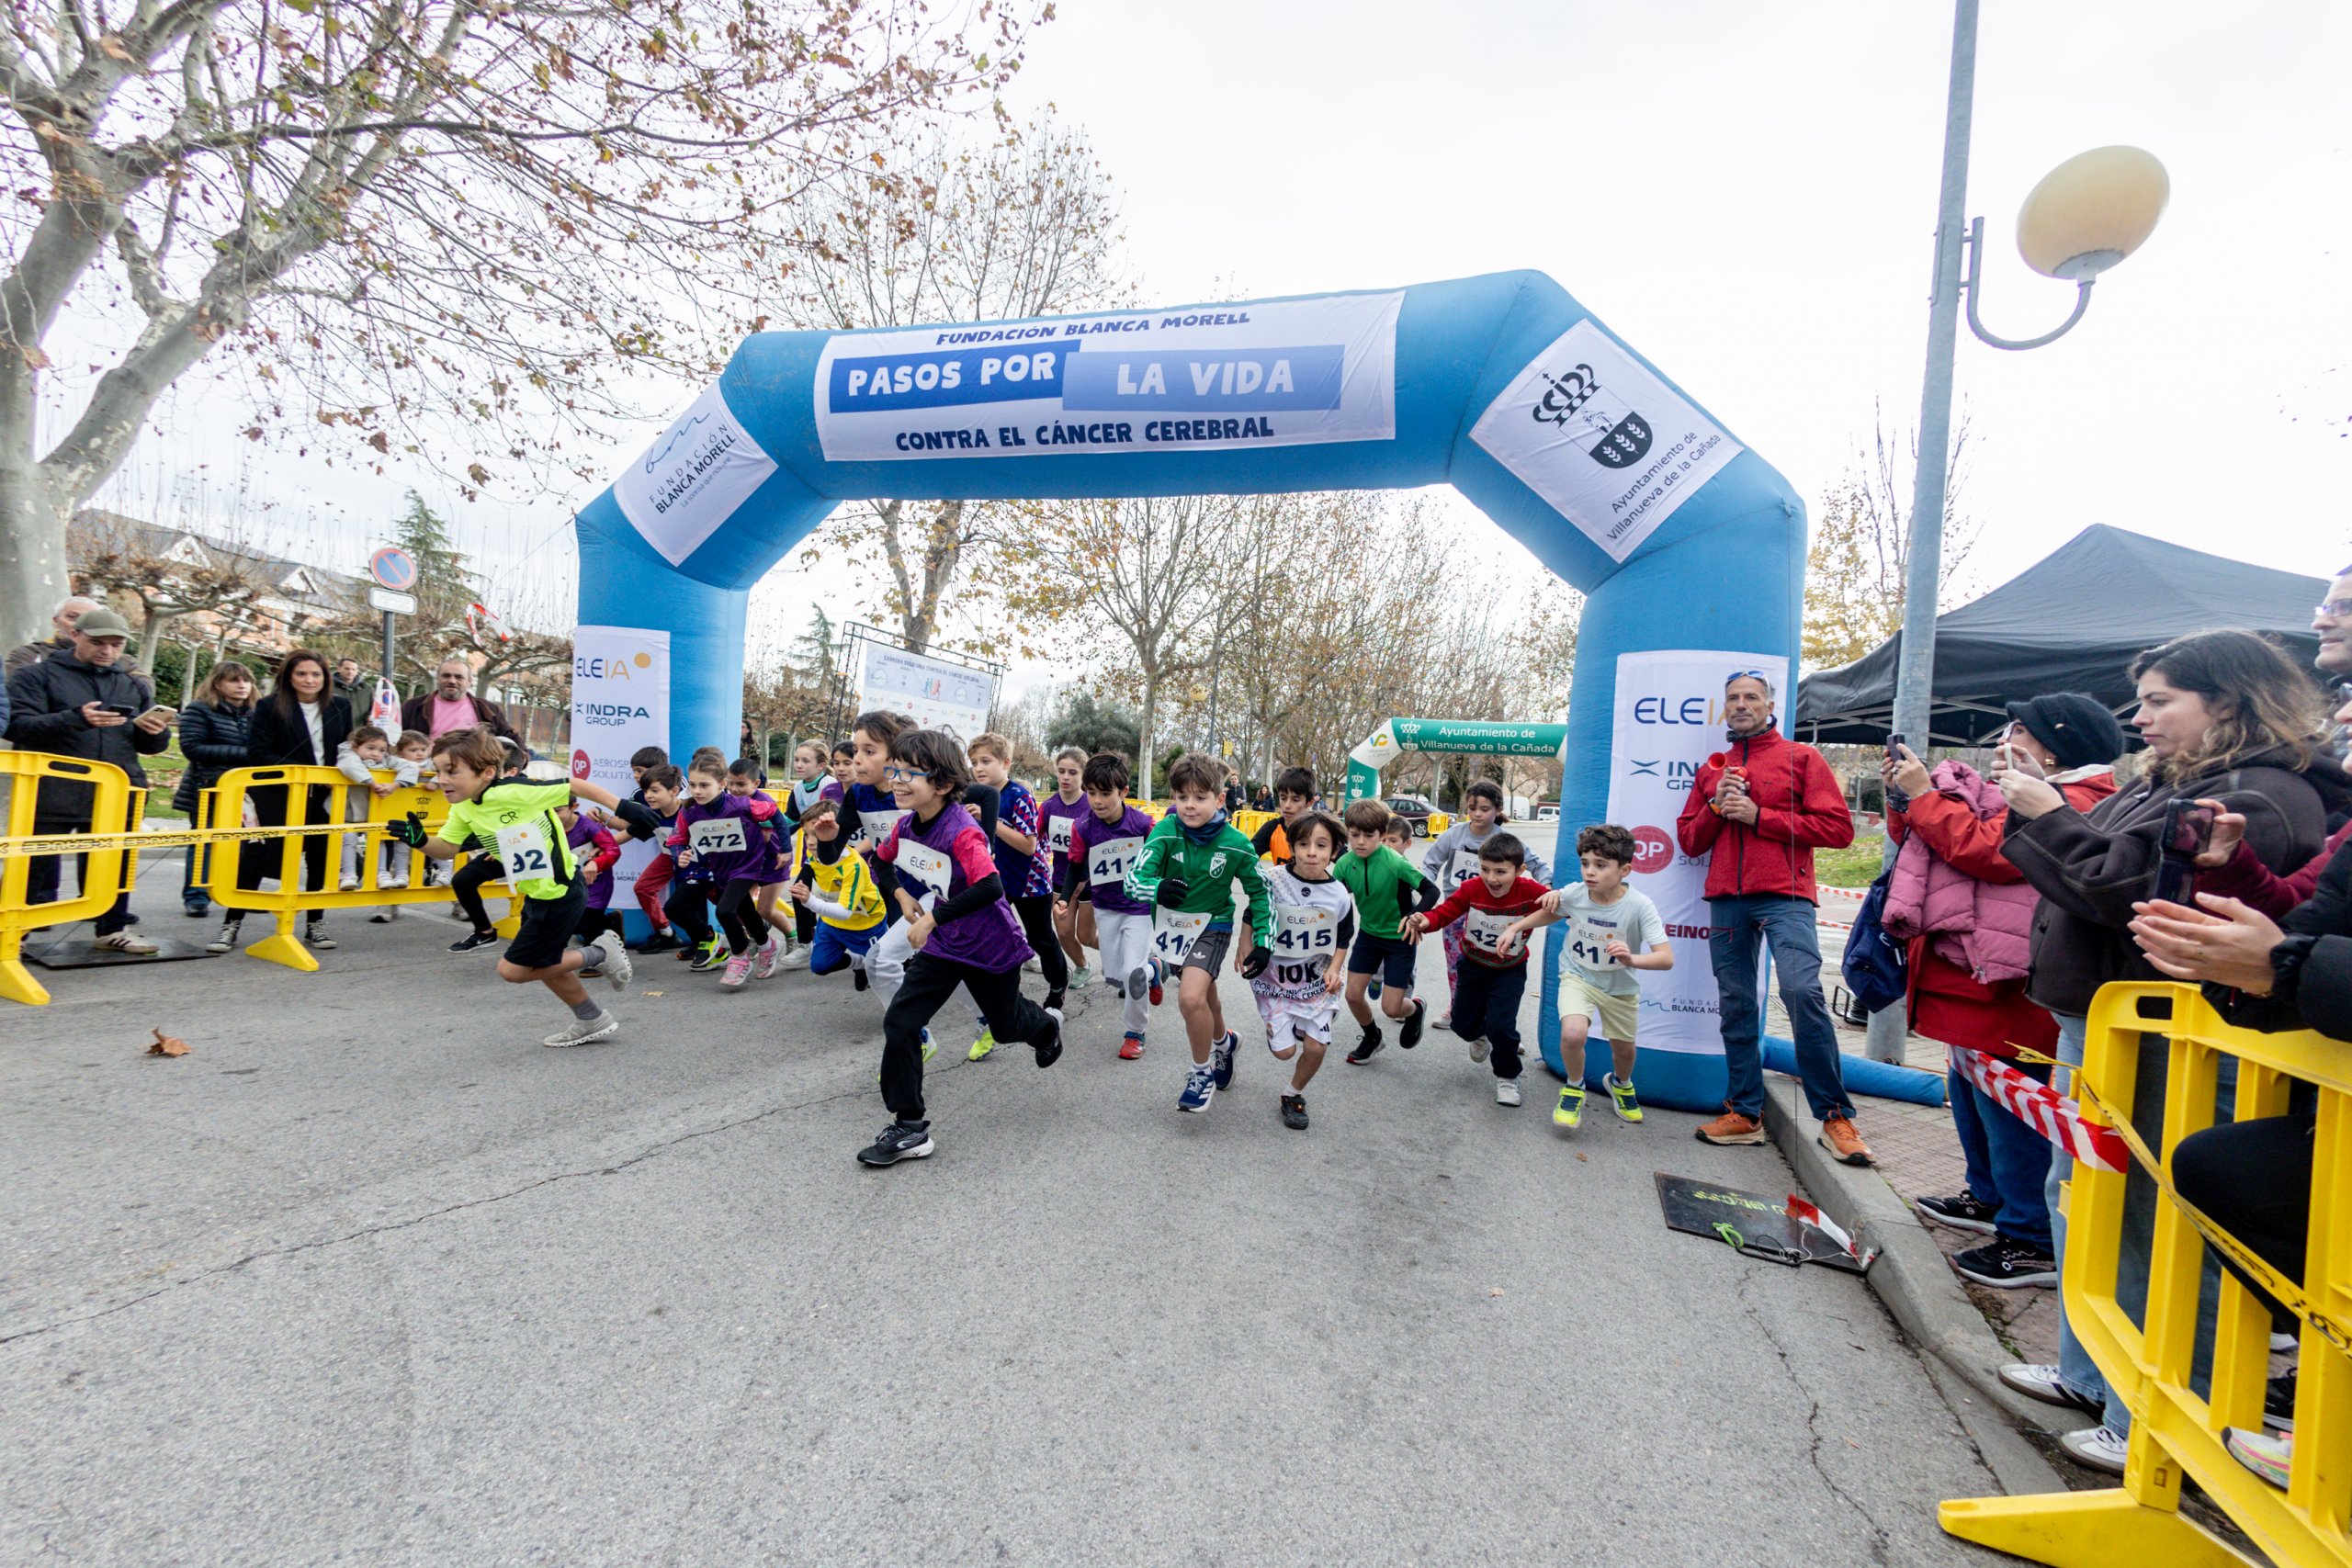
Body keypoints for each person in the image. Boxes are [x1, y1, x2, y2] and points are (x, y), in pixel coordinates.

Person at [1996, 626, 2350, 1475]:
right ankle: (2095, 1376)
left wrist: (2048, 818)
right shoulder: (2189, 781)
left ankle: (2159, 1414)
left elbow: (2124, 888)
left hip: (2172, 1036)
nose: (2141, 718)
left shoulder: (2269, 789)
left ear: (2224, 701)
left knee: (2157, 1223)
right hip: (2116, 1018)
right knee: (2089, 1198)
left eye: (2160, 700)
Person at [1884, 695, 2123, 1291]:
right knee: (1974, 1087)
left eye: (2018, 732)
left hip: (2013, 984)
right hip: (1977, 977)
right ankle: (1990, 1196)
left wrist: (1921, 797)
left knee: (2015, 1103)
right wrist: (1908, 799)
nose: (2001, 744)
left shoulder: (2079, 798)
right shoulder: (2034, 789)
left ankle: (2030, 1237)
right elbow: (1943, 834)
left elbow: (1991, 850)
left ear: (2057, 744)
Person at [1674, 670, 1871, 1165]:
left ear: (1769, 704)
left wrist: (1760, 817)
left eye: (1751, 697)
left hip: (1786, 895)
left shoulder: (1801, 758)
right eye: (1733, 698)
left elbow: (1838, 829)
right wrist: (1718, 807)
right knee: (1736, 1002)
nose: (1742, 705)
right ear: (1726, 707)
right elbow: (1690, 841)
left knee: (1803, 991)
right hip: (1726, 898)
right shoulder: (1711, 769)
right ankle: (1745, 1113)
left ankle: (1834, 1117)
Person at [861, 729, 1065, 1168]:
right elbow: (881, 860)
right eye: (894, 769)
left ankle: (1046, 1027)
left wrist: (934, 916)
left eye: (909, 773)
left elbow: (990, 885)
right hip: (946, 944)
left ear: (942, 784)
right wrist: (900, 896)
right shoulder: (907, 824)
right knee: (900, 1021)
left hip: (990, 945)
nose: (896, 780)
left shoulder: (963, 831)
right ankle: (910, 1128)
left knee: (1007, 1027)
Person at [390, 727, 634, 1046]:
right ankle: (591, 1018)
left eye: (452, 771)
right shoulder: (464, 807)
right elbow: (447, 848)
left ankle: (600, 952)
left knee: (513, 970)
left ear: (487, 772)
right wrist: (421, 841)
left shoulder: (513, 791)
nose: (443, 779)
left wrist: (626, 809)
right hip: (536, 893)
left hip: (562, 891)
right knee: (544, 961)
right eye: (438, 771)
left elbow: (573, 785)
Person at [3, 606, 173, 953]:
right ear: (75, 635)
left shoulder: (131, 684)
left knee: (115, 863)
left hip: (116, 789)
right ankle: (12, 932)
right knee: (31, 866)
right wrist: (75, 718)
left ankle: (111, 929)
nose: (107, 651)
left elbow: (146, 744)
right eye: (98, 642)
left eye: (116, 644)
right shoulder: (36, 676)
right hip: (52, 789)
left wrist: (156, 733)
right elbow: (16, 727)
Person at [1121, 751, 1274, 1114]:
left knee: (1190, 999)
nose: (1189, 806)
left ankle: (1200, 1072)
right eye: (1182, 797)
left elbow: (1261, 891)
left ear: (1220, 799)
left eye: (1200, 797)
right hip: (1173, 929)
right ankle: (1224, 1041)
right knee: (1206, 996)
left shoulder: (1236, 842)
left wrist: (1263, 941)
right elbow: (1132, 881)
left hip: (1214, 924)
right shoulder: (1165, 830)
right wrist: (1156, 889)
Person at [1509, 824, 1672, 1129]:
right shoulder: (1575, 893)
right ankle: (1574, 1086)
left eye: (1600, 865)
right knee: (1572, 1033)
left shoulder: (1639, 906)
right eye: (1585, 863)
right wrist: (1516, 927)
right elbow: (1554, 912)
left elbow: (1666, 958)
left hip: (1619, 987)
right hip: (1578, 976)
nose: (1590, 872)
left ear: (1625, 869)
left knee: (1623, 1049)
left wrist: (1631, 958)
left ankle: (1621, 1083)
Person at [215, 648, 350, 954]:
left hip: (325, 796)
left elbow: (347, 745)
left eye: (316, 674)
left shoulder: (340, 706)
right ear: (289, 676)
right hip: (278, 795)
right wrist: (300, 772)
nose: (309, 679)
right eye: (301, 673)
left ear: (326, 677)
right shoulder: (269, 706)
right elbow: (259, 752)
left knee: (318, 859)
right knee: (255, 859)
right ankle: (231, 923)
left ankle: (315, 922)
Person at [1403, 830, 1553, 1107]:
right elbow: (1447, 910)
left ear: (1520, 870)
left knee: (1501, 1025)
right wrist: (1426, 920)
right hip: (1473, 965)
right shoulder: (1472, 887)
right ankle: (1479, 1034)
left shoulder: (1530, 891)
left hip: (1509, 969)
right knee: (1462, 1024)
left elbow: (1559, 908)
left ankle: (1507, 1076)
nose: (1492, 878)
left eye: (1501, 871)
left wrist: (1552, 898)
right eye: (1485, 869)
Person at [1249, 810, 1355, 1131]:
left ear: (1334, 851)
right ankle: (1282, 1029)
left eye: (1321, 846)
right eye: (1304, 844)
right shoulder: (1273, 879)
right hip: (1276, 980)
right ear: (1292, 847)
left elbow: (1344, 937)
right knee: (1285, 1052)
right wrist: (1245, 946)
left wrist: (1335, 969)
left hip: (1316, 983)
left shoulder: (1338, 893)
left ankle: (1293, 1094)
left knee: (1316, 1047)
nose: (1312, 852)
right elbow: (1251, 913)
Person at [965, 734, 1068, 1059]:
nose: (979, 769)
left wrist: (987, 819)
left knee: (1041, 939)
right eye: (975, 763)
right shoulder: (973, 795)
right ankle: (1000, 1001)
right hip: (993, 880)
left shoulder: (1018, 796)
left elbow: (1028, 845)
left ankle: (1057, 987)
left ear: (1005, 764)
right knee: (990, 938)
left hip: (1029, 880)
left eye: (986, 762)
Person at [1421, 782, 1552, 1030]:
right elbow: (1429, 863)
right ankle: (1457, 1006)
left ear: (1497, 809)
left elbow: (1537, 865)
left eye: (1485, 809)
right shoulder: (1454, 835)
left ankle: (1497, 1022)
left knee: (1497, 970)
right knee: (1457, 965)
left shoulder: (1506, 840)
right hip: (1458, 910)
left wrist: (1547, 889)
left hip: (1496, 913)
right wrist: (1429, 895)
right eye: (1472, 808)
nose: (1478, 814)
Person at [1059, 752, 1159, 1060]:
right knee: (1116, 976)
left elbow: (1162, 861)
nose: (1097, 801)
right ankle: (1155, 970)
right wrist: (1064, 898)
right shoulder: (1083, 826)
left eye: (1106, 794)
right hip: (1106, 907)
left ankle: (1135, 1032)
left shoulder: (1143, 824)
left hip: (1139, 908)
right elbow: (1075, 865)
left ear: (1123, 792)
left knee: (1132, 975)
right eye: (1091, 793)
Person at [1335, 799, 1441, 1065]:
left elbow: (1431, 891)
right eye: (1354, 835)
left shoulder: (1394, 861)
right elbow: (1334, 897)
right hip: (1369, 936)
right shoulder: (1345, 864)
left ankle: (1415, 1008)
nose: (1360, 842)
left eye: (1369, 836)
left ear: (1382, 835)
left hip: (1400, 938)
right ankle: (1372, 1036)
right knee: (1352, 995)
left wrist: (1415, 916)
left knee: (1392, 1008)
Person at [665, 755, 785, 989]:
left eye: (704, 785)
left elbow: (775, 815)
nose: (697, 791)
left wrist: (786, 850)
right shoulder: (689, 810)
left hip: (748, 864)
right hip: (720, 867)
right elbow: (677, 839)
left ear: (722, 784)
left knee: (725, 910)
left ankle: (739, 956)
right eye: (693, 785)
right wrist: (680, 855)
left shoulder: (739, 804)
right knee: (745, 910)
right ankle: (767, 945)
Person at [171, 660, 258, 919]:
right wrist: (248, 755)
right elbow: (193, 748)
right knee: (204, 842)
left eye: (246, 680)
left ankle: (240, 894)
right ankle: (196, 896)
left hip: (247, 789)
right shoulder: (199, 710)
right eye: (234, 680)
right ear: (217, 683)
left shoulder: (258, 712)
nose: (242, 685)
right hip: (208, 785)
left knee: (246, 843)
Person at [787, 797, 885, 982]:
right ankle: (859, 963)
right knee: (819, 966)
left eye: (816, 835)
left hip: (865, 924)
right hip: (831, 923)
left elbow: (845, 912)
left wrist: (810, 901)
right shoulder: (812, 853)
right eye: (806, 835)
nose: (810, 842)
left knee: (883, 972)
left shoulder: (853, 865)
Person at [6, 595, 152, 698]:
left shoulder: (123, 660)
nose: (80, 623)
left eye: (90, 618)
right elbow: (20, 692)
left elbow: (145, 690)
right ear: (55, 620)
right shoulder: (29, 654)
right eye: (73, 617)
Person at [333, 723, 417, 897]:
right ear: (356, 746)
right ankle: (348, 874)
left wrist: (395, 785)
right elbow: (349, 766)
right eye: (370, 748)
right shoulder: (348, 754)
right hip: (349, 811)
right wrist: (371, 782)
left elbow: (410, 766)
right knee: (347, 838)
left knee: (377, 840)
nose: (376, 753)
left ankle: (382, 873)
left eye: (381, 749)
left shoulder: (385, 759)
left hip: (375, 812)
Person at [1039, 747, 1094, 988]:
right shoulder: (1049, 806)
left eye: (1072, 772)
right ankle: (1082, 966)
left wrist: (1086, 875)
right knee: (1063, 933)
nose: (1065, 777)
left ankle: (1130, 957)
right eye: (1061, 771)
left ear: (1082, 775)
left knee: (1087, 935)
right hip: (1062, 878)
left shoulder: (1092, 805)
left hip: (1091, 880)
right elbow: (1032, 837)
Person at [400, 656, 521, 745]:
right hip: (424, 771)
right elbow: (394, 736)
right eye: (446, 676)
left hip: (472, 772)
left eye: (459, 677)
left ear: (469, 681)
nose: (452, 681)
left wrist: (521, 759)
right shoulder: (413, 707)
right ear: (437, 679)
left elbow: (510, 737)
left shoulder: (487, 709)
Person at [560, 801, 625, 955]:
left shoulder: (589, 826)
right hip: (568, 882)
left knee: (588, 922)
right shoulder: (547, 826)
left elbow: (613, 850)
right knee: (564, 919)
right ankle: (610, 922)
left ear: (573, 807)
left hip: (596, 882)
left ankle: (595, 958)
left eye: (558, 810)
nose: (552, 815)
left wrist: (596, 863)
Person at [1250, 766, 1317, 867]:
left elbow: (1344, 859)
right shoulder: (1271, 828)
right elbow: (1246, 857)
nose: (1287, 805)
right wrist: (1262, 880)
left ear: (1310, 802)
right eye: (1283, 798)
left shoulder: (1319, 830)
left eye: (1295, 799)